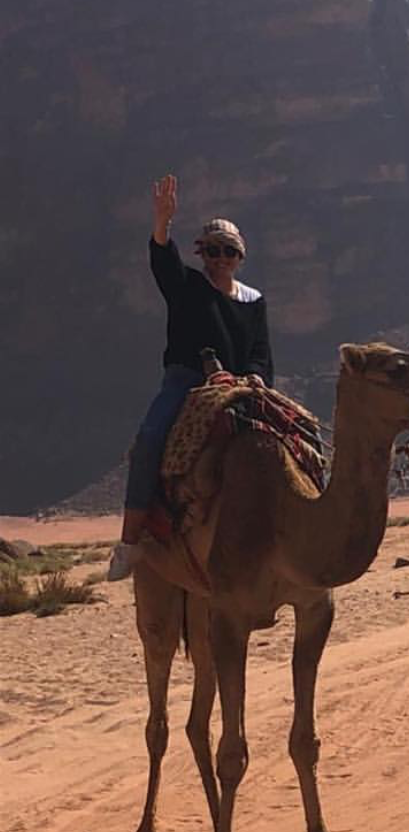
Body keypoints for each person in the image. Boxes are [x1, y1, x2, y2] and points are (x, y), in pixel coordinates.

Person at [107, 174, 273, 580]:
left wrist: (253, 377)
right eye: (213, 250)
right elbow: (164, 265)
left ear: (240, 256)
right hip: (187, 380)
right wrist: (162, 223)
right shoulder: (188, 286)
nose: (221, 258)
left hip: (240, 385)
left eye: (228, 251)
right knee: (150, 439)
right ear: (202, 253)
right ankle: (131, 541)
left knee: (294, 436)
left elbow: (260, 352)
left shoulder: (254, 301)